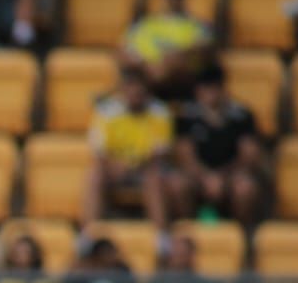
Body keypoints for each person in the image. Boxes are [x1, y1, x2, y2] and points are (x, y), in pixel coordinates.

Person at [168, 61, 263, 227]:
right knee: (177, 184)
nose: (211, 93)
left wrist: (222, 177)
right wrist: (206, 177)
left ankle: (242, 236)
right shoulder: (187, 116)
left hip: (230, 174)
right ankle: (187, 230)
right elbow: (184, 156)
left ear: (223, 88)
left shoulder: (241, 115)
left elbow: (248, 156)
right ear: (197, 90)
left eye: (215, 87)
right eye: (206, 87)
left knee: (245, 188)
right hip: (198, 176)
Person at [84, 68, 171, 231]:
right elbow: (100, 151)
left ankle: (162, 237)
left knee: (154, 177)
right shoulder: (106, 111)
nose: (136, 93)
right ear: (123, 89)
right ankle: (89, 234)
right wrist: (117, 165)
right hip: (115, 168)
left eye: (140, 90)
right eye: (131, 88)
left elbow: (160, 153)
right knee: (95, 175)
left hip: (145, 169)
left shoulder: (159, 112)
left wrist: (133, 165)